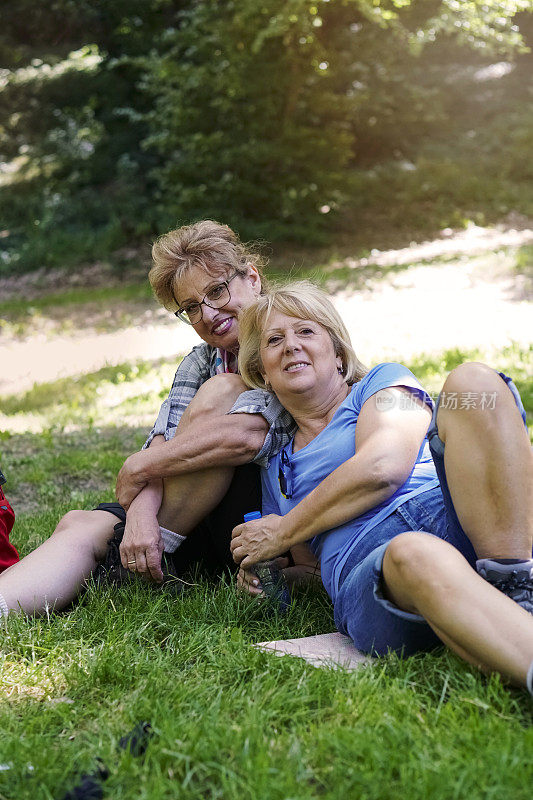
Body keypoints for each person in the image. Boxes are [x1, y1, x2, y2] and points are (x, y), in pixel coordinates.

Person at [230, 281, 533, 694]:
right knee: (412, 552)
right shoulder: (276, 467)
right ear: (262, 371)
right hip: (373, 572)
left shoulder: (381, 387)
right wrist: (270, 576)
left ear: (337, 354)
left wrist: (281, 531)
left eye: (306, 331)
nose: (291, 346)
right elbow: (312, 569)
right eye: (274, 340)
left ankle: (513, 586)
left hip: (457, 516)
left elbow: (384, 464)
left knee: (473, 385)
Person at [0, 222, 316, 617]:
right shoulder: (201, 361)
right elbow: (163, 442)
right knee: (79, 524)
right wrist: (140, 516)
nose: (209, 314)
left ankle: (134, 562)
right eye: (192, 308)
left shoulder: (293, 341)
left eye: (216, 291)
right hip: (194, 511)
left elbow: (249, 436)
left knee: (224, 392)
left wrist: (137, 468)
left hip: (263, 519)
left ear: (252, 277)